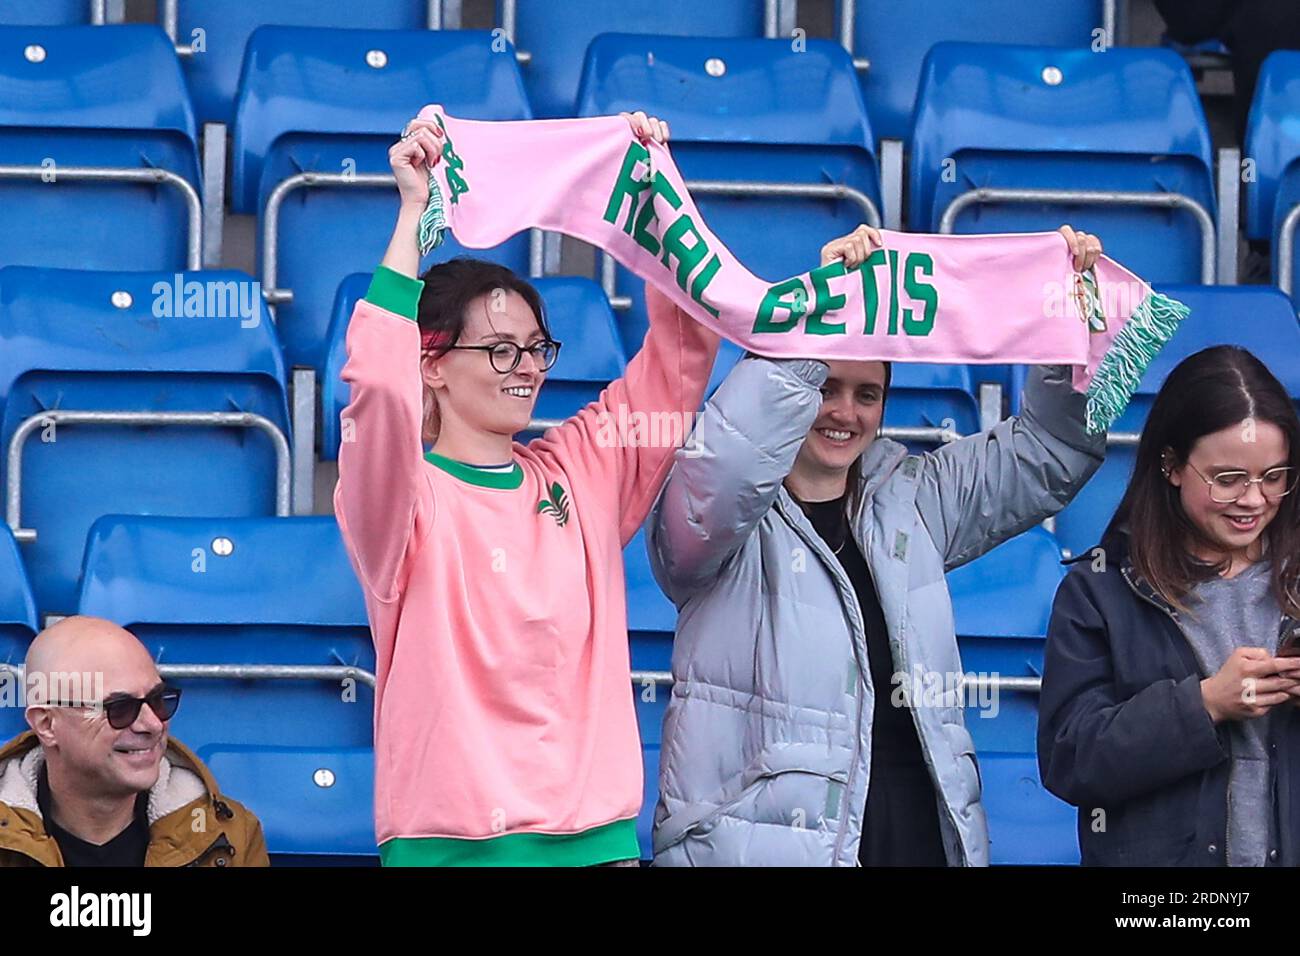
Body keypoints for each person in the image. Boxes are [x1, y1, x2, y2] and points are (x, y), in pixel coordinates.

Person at [647, 223, 1107, 866]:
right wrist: (816, 314)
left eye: (868, 395)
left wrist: (1069, 328)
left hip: (915, 835)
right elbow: (726, 469)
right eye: (825, 387)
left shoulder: (911, 494)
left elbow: (1049, 455)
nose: (845, 412)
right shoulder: (719, 516)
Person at [334, 111, 720, 866]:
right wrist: (414, 211)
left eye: (537, 348)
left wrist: (659, 200)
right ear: (433, 364)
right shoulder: (398, 504)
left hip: (593, 845)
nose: (527, 367)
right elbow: (378, 386)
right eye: (500, 349)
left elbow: (683, 351)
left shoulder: (581, 470)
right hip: (448, 849)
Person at [1039, 345, 1300, 866]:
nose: (1253, 500)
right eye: (1228, 479)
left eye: (1274, 477)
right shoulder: (1102, 587)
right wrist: (1204, 705)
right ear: (1172, 465)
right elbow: (1071, 758)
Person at [0, 616, 268, 867]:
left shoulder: (228, 836)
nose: (152, 724)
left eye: (157, 700)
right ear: (47, 725)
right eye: (120, 708)